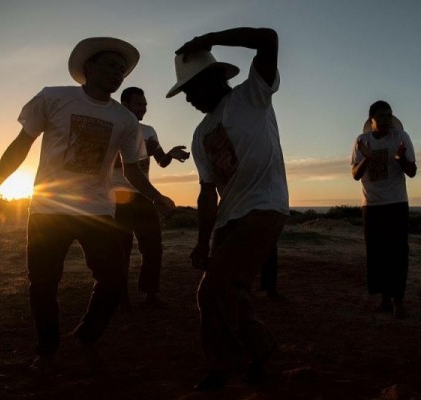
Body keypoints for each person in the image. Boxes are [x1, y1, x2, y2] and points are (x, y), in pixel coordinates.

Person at [0, 37, 175, 374]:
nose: (118, 73)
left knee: (113, 280)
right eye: (111, 65)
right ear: (88, 67)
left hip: (98, 210)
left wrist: (156, 196)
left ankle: (87, 337)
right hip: (48, 209)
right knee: (43, 283)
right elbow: (20, 146)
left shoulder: (124, 119)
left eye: (122, 70)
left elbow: (133, 171)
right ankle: (47, 350)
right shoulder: (53, 97)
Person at [166, 27, 289, 390]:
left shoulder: (252, 95)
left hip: (264, 207)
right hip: (228, 219)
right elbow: (207, 194)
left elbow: (268, 38)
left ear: (214, 77)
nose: (189, 99)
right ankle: (261, 350)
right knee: (232, 294)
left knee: (213, 288)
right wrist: (202, 241)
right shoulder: (200, 134)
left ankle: (224, 365)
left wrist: (210, 38)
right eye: (184, 92)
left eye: (191, 89)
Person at [112, 87, 189, 308]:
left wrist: (170, 154)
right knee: (122, 248)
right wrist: (141, 149)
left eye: (145, 104)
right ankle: (120, 297)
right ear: (125, 105)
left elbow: (161, 161)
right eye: (139, 104)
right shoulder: (115, 128)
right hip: (118, 196)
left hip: (144, 195)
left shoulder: (149, 130)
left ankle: (150, 294)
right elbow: (111, 162)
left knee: (153, 246)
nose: (143, 108)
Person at [350, 101, 417, 319]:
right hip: (371, 205)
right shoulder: (362, 141)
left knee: (398, 253)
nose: (386, 120)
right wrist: (367, 158)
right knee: (376, 254)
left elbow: (412, 171)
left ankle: (398, 300)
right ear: (371, 120)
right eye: (381, 116)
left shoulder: (401, 137)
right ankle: (385, 298)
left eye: (389, 115)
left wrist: (401, 158)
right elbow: (355, 174)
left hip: (396, 203)